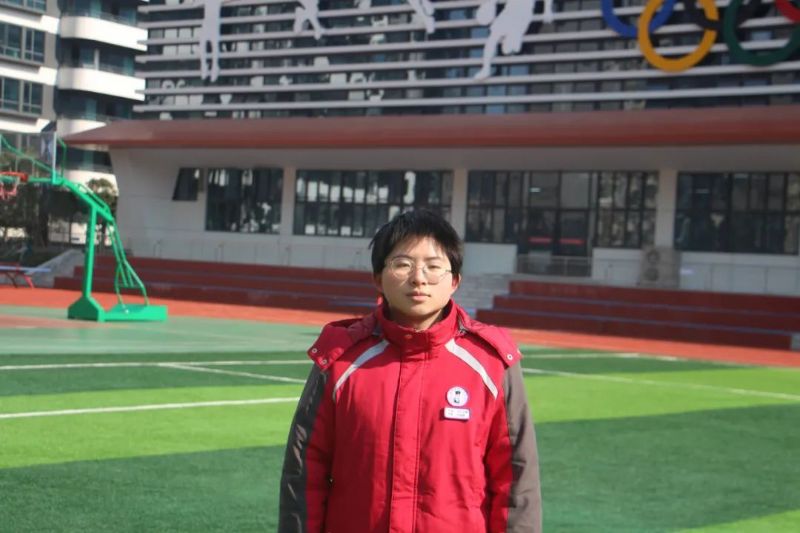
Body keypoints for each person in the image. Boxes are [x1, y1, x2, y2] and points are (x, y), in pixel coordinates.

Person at [279, 209, 541, 532]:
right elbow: (305, 471)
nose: (419, 278)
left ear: (454, 281)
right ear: (378, 278)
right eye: (402, 264)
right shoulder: (340, 360)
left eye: (433, 266)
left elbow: (516, 478)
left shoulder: (492, 364)